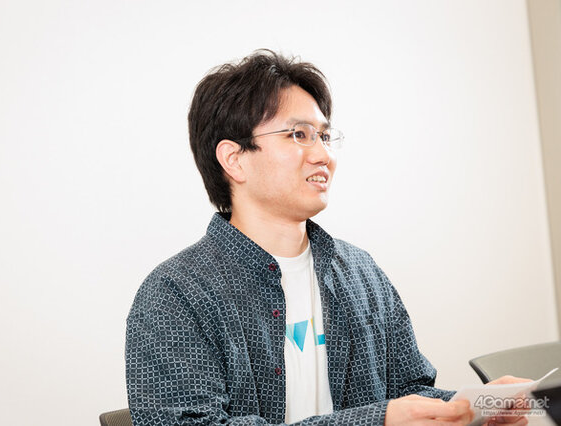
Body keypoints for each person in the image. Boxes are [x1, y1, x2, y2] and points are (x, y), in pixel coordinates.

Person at [125, 50, 529, 425]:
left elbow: (408, 394)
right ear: (235, 159)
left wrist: (475, 406)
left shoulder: (361, 272)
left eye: (323, 136)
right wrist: (376, 420)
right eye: (298, 135)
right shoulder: (176, 294)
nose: (323, 155)